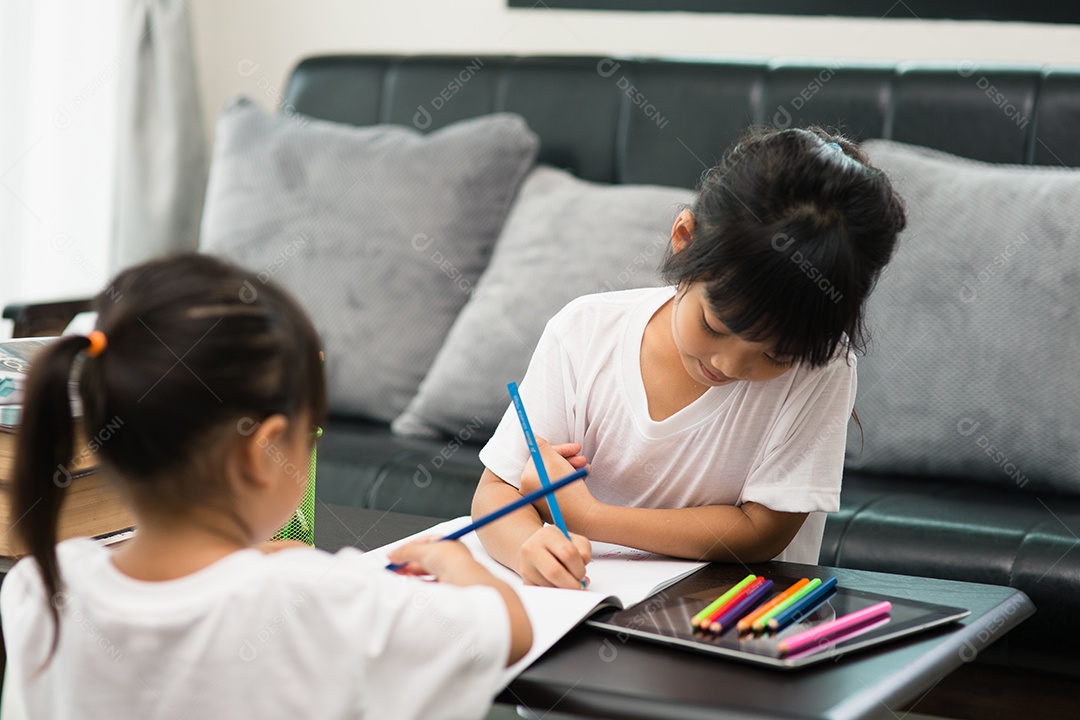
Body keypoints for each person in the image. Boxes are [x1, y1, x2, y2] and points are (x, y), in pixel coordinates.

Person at [1, 254, 531, 720]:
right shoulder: (323, 599)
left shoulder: (37, 588)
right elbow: (508, 631)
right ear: (266, 452)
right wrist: (455, 564)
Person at [472, 127, 907, 589]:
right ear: (684, 238)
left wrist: (590, 517)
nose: (731, 365)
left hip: (731, 623)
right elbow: (496, 491)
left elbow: (762, 532)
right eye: (715, 327)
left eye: (776, 354)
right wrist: (527, 549)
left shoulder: (821, 367)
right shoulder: (583, 332)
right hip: (588, 608)